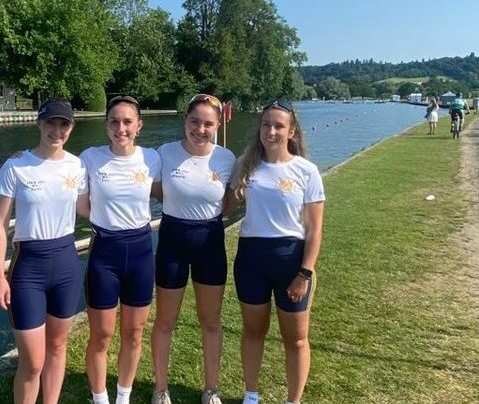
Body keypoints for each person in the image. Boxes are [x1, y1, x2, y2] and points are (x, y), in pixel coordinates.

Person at [0, 98, 88, 404]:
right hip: (28, 268)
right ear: (39, 123)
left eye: (64, 124)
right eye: (50, 123)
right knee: (32, 361)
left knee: (57, 349)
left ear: (71, 128)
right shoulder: (16, 166)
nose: (56, 130)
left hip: (67, 265)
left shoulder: (78, 166)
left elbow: (89, 209)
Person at [230, 98, 325, 404]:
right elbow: (225, 206)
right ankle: (251, 396)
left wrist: (304, 272)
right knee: (253, 331)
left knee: (295, 338)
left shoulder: (306, 171)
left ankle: (293, 400)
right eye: (266, 124)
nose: (271, 131)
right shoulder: (246, 165)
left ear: (292, 130)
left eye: (279, 126)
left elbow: (314, 229)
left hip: (291, 261)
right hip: (251, 259)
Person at [151, 94, 236, 404]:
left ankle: (211, 388)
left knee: (210, 320)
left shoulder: (227, 158)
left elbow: (229, 203)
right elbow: (155, 189)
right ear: (184, 121)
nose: (200, 129)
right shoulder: (164, 153)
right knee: (165, 321)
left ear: (217, 125)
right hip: (173, 239)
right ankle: (161, 388)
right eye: (194, 122)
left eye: (208, 124)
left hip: (209, 241)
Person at [80, 96, 161, 404]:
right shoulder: (90, 157)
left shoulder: (152, 158)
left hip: (140, 251)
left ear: (139, 126)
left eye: (128, 122)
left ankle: (123, 397)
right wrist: (24, 158)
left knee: (134, 333)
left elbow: (190, 161)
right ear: (106, 126)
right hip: (105, 252)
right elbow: (56, 163)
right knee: (101, 335)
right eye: (114, 121)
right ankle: (100, 399)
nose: (120, 128)